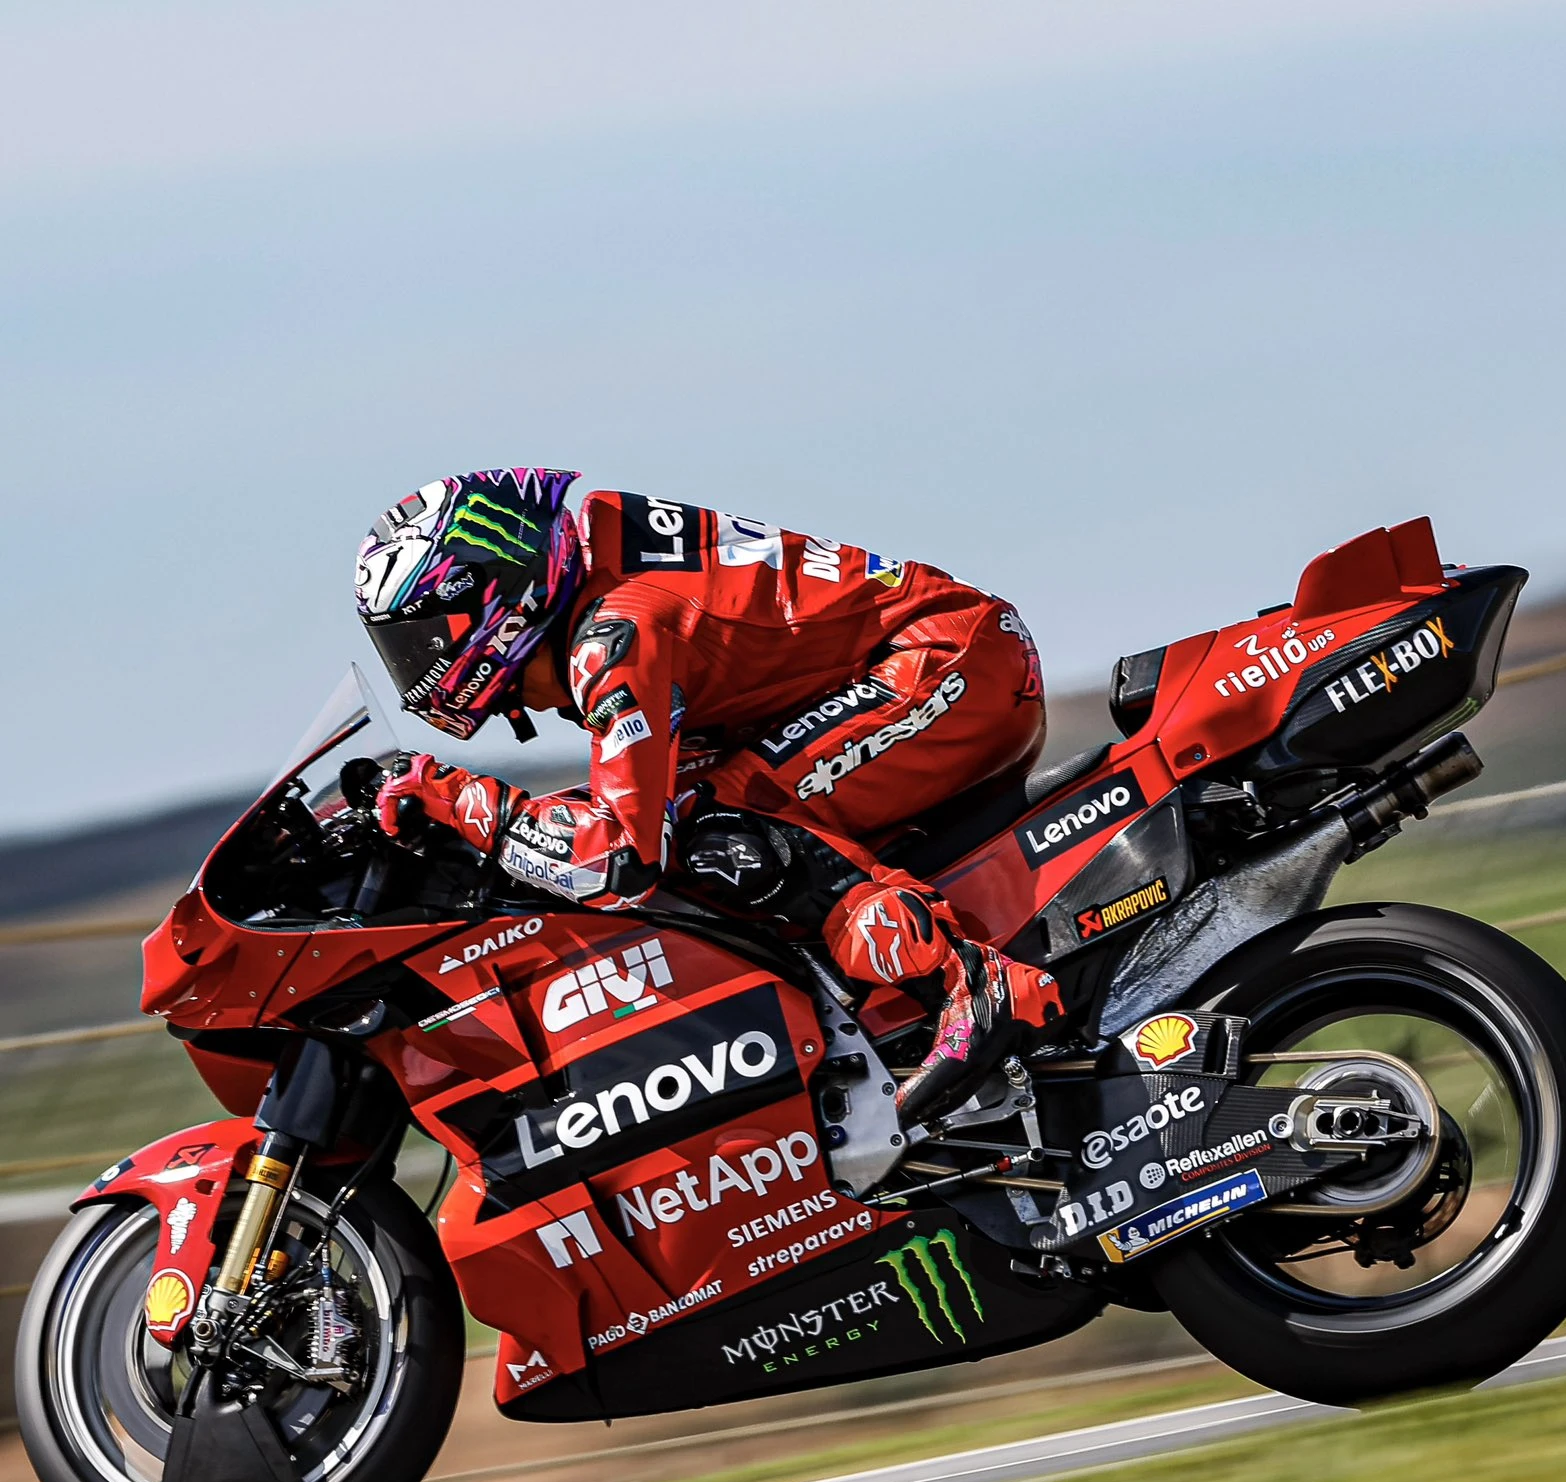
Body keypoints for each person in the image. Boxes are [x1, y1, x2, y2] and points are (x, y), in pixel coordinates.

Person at [355, 469, 1061, 1123]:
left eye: (424, 638)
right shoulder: (598, 606)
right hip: (928, 658)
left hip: (943, 663)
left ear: (497, 593)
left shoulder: (614, 634)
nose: (420, 667)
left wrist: (458, 801)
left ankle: (966, 984)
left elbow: (617, 862)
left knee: (717, 828)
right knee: (689, 813)